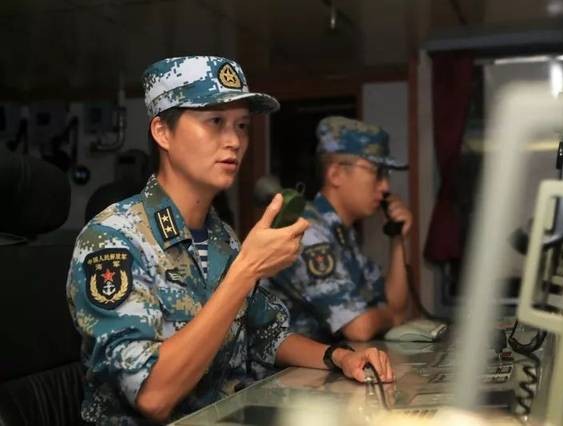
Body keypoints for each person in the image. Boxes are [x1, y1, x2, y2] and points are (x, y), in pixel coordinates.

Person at [66, 57, 394, 425]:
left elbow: (267, 334)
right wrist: (246, 271)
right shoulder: (112, 240)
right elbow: (153, 396)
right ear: (163, 132)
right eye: (215, 122)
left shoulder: (220, 236)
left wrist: (341, 357)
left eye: (242, 126)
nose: (235, 141)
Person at [264, 116, 413, 343]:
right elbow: (358, 327)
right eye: (377, 172)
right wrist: (391, 317)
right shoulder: (308, 230)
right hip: (287, 365)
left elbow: (394, 304)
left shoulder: (342, 233)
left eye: (386, 175)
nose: (385, 187)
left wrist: (398, 239)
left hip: (324, 361)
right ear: (335, 174)